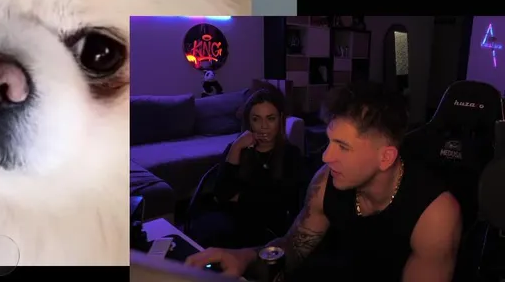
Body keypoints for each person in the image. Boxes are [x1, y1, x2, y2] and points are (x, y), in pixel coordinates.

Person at [185, 81, 462, 282]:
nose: (326, 156)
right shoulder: (326, 180)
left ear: (385, 157)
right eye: (329, 141)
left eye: (343, 146)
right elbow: (294, 246)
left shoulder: (435, 214)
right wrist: (243, 258)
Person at [188, 86, 304, 249]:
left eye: (270, 118)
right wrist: (236, 148)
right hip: (232, 221)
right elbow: (222, 194)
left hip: (268, 229)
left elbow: (283, 202)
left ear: (280, 119)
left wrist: (240, 197)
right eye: (256, 119)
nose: (264, 126)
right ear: (249, 122)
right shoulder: (237, 148)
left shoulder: (291, 153)